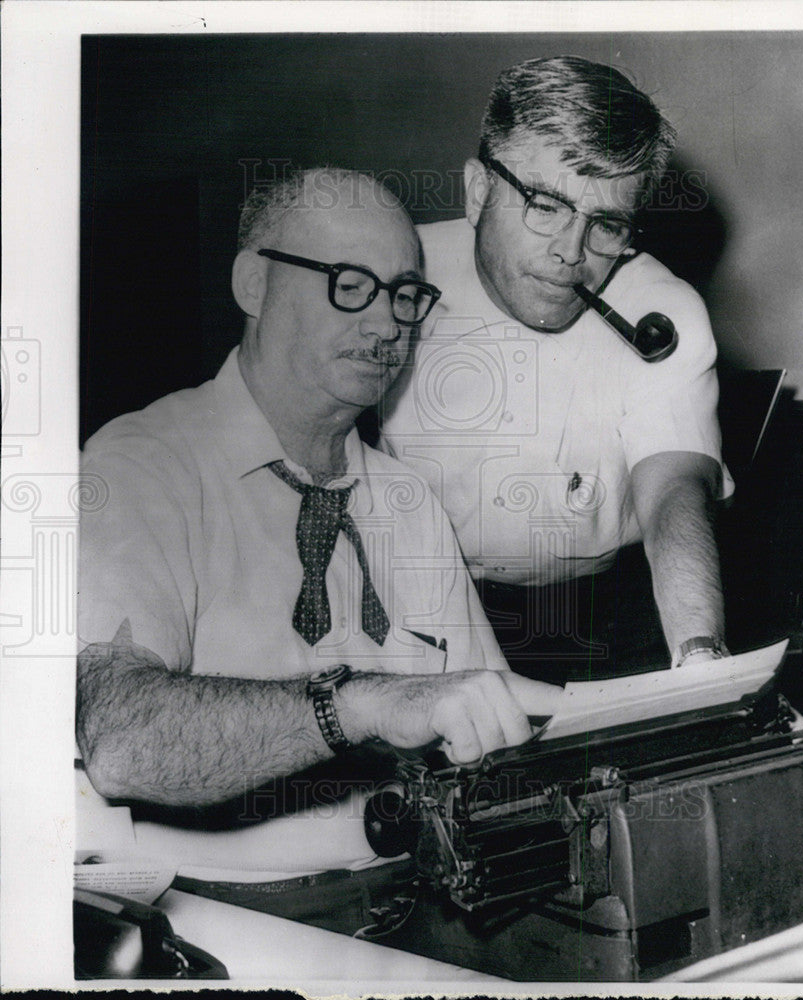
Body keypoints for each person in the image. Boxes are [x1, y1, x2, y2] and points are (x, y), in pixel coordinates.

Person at [76, 168, 560, 897]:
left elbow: (488, 741)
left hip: (411, 893)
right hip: (207, 912)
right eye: (350, 285)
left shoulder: (408, 500)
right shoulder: (142, 463)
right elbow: (121, 741)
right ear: (253, 284)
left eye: (404, 295)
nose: (387, 325)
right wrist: (360, 703)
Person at [380, 56, 734, 678]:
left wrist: (700, 655)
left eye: (605, 225)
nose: (570, 253)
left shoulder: (659, 311)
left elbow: (675, 493)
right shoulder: (388, 281)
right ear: (479, 191)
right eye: (545, 204)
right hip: (414, 614)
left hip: (609, 620)